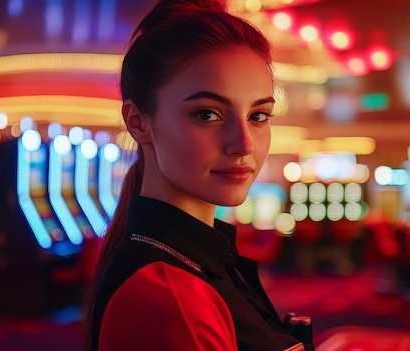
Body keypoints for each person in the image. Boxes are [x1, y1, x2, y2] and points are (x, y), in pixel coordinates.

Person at [84, 0, 310, 350]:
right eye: (208, 114)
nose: (244, 144)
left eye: (259, 115)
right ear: (138, 122)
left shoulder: (203, 261)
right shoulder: (170, 295)